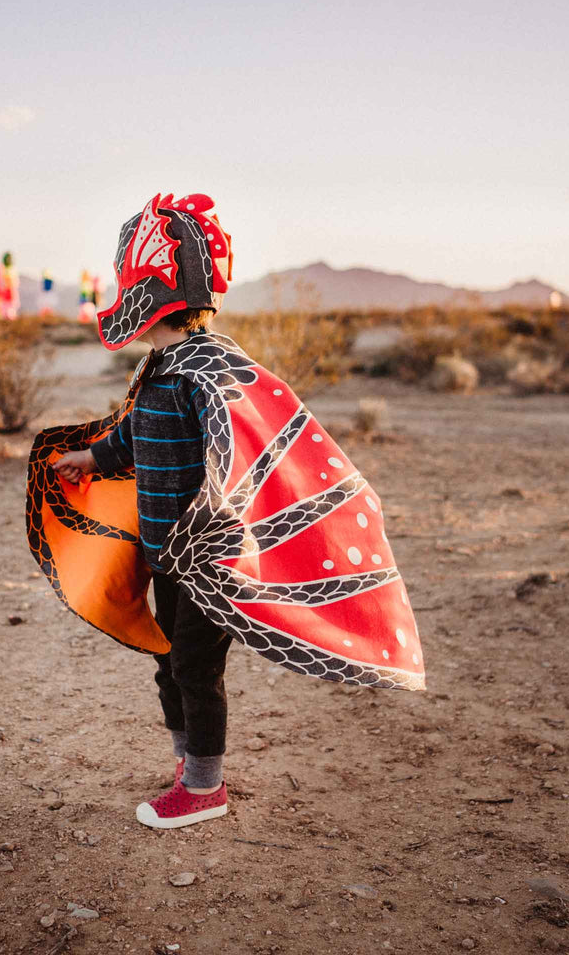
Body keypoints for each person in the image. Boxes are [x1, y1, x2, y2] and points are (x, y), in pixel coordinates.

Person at [28, 192, 425, 831]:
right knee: (167, 663)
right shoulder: (160, 369)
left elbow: (239, 457)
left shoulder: (210, 370)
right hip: (162, 554)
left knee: (194, 667)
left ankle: (206, 787)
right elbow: (135, 438)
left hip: (205, 563)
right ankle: (188, 768)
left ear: (150, 290)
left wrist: (208, 529)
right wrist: (93, 458)